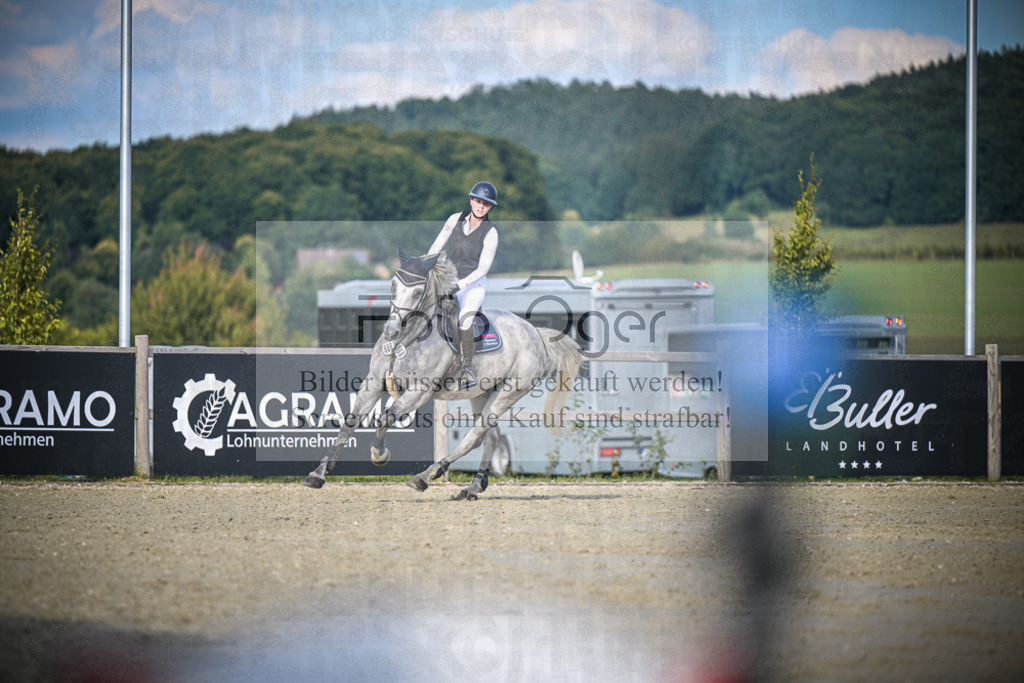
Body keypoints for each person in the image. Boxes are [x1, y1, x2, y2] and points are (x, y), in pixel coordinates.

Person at [428, 181, 499, 389]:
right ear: (471, 200)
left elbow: (483, 268)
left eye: (485, 204)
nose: (480, 206)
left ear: (490, 208)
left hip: (473, 285)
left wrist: (461, 285)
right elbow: (437, 244)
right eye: (478, 201)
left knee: (464, 320)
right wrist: (425, 264)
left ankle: (467, 368)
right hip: (448, 279)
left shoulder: (491, 232)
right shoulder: (454, 219)